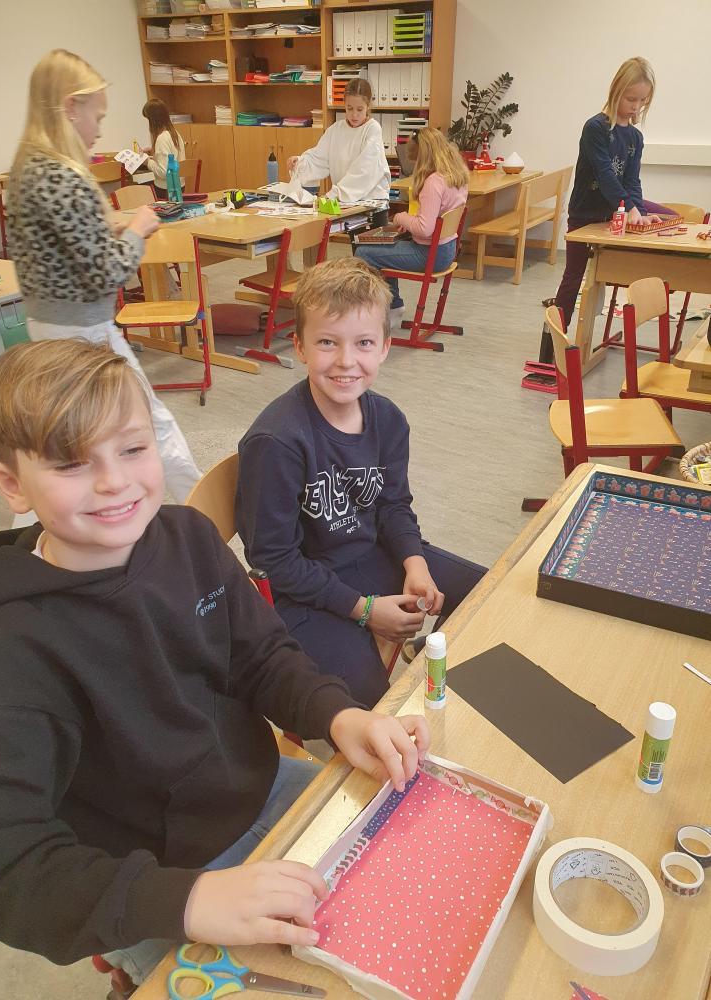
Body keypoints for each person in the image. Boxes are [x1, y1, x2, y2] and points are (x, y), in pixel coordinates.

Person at [0, 337, 429, 988]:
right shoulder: (10, 650)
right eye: (71, 464)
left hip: (262, 788)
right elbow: (7, 872)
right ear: (12, 485)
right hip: (151, 879)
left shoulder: (187, 537)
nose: (115, 481)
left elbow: (262, 656)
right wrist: (188, 901)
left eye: (132, 449)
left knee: (409, 890)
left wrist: (338, 715)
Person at [236, 258, 486, 708]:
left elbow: (393, 506)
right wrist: (365, 610)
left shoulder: (388, 419)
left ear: (385, 347)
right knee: (376, 711)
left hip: (370, 555)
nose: (346, 361)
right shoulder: (276, 442)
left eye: (364, 343)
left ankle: (429, 664)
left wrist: (414, 562)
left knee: (488, 597)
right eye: (327, 342)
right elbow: (273, 560)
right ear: (300, 346)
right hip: (304, 593)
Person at [7, 49, 201, 503]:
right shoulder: (63, 175)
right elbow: (105, 273)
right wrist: (136, 230)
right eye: (97, 116)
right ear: (70, 108)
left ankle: (42, 528)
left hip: (50, 324)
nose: (98, 130)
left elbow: (61, 246)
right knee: (149, 425)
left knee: (65, 436)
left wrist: (106, 227)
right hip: (83, 331)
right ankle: (206, 516)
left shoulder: (28, 168)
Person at [546, 56, 670, 329]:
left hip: (614, 213)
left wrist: (641, 212)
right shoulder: (595, 128)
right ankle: (554, 336)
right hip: (585, 214)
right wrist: (631, 209)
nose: (636, 106)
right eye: (631, 99)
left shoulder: (635, 137)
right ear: (616, 92)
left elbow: (632, 181)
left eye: (642, 101)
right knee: (574, 275)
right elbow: (606, 177)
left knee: (668, 218)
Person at [355, 127, 468, 328]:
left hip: (430, 254)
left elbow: (424, 229)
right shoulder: (455, 175)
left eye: (416, 161)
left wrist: (401, 218)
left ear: (423, 157)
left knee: (364, 252)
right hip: (448, 249)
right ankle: (392, 306)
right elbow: (434, 219)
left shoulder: (433, 182)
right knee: (383, 250)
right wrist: (411, 223)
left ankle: (388, 307)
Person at [288, 78, 391, 225]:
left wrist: (335, 194)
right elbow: (319, 158)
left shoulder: (372, 129)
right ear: (344, 105)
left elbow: (364, 171)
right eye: (349, 108)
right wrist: (300, 162)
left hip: (372, 205)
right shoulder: (336, 130)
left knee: (367, 242)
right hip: (346, 204)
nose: (354, 115)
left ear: (368, 106)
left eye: (359, 109)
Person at [142, 97, 186, 198]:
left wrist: (147, 162)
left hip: (167, 189)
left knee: (135, 190)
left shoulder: (161, 138)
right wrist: (154, 152)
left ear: (153, 120)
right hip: (180, 186)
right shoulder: (174, 133)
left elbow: (163, 172)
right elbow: (171, 156)